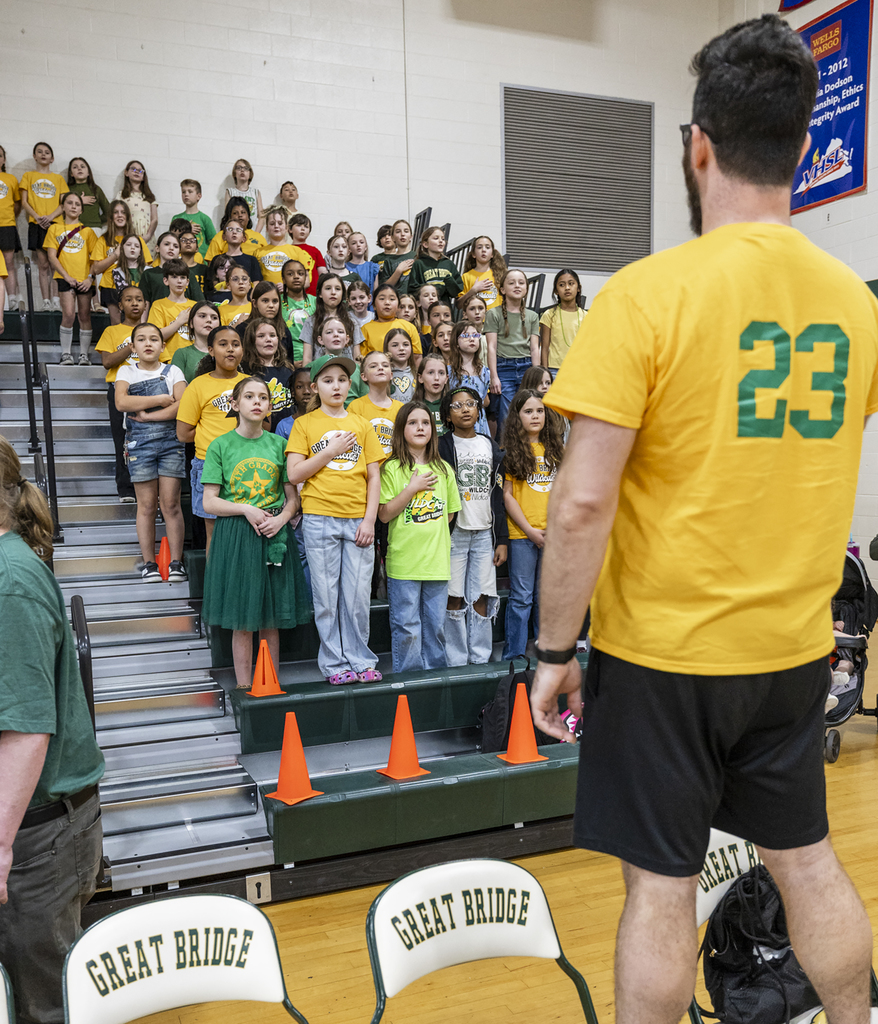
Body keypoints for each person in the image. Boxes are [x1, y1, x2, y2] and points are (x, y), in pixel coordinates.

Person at [529, 17, 878, 1024]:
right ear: (806, 151)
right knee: (804, 860)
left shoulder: (642, 296)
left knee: (660, 885)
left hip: (663, 653)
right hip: (787, 648)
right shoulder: (853, 307)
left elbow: (584, 498)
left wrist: (553, 646)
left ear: (695, 143)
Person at [0, 436, 104, 1024]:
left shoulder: (9, 582)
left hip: (38, 838)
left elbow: (25, 730)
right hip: (35, 825)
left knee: (44, 1009)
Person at [202, 376, 310, 688]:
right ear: (235, 404)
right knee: (243, 617)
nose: (257, 402)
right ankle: (242, 687)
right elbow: (210, 501)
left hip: (274, 533)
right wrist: (246, 509)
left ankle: (270, 683)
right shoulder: (220, 445)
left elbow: (293, 499)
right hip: (237, 535)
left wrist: (282, 519)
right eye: (249, 396)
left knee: (271, 617)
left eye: (263, 397)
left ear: (270, 406)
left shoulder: (279, 444)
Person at [286, 354, 386, 685]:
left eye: (342, 380)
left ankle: (361, 659)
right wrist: (329, 451)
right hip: (319, 518)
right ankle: (334, 664)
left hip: (357, 519)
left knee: (357, 598)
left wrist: (370, 521)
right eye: (328, 381)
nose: (337, 386)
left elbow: (374, 477)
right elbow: (294, 472)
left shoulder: (361, 424)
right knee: (326, 598)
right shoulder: (304, 424)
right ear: (315, 387)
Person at [379, 401, 460, 673]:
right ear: (401, 430)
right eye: (413, 423)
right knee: (407, 628)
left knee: (436, 627)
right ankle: (410, 684)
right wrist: (412, 489)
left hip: (436, 563)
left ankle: (437, 683)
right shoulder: (391, 469)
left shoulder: (444, 469)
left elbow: (449, 515)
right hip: (404, 564)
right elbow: (384, 514)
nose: (420, 428)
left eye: (425, 423)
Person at [438, 386, 507, 665]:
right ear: (447, 415)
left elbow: (499, 496)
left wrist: (501, 538)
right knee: (453, 597)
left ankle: (479, 657)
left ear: (479, 409)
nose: (465, 409)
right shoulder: (442, 445)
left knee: (481, 597)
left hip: (484, 534)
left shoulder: (490, 445)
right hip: (454, 534)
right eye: (457, 405)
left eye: (470, 404)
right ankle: (456, 658)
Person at [114, 323, 187, 582]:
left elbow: (181, 406)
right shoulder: (126, 370)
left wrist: (146, 416)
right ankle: (149, 564)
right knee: (145, 506)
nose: (148, 343)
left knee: (171, 504)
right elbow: (122, 402)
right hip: (139, 445)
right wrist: (159, 400)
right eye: (141, 339)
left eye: (154, 339)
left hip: (171, 444)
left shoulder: (173, 371)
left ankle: (176, 562)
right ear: (132, 347)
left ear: (162, 345)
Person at [501, 389, 563, 660]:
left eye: (539, 410)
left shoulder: (558, 449)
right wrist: (530, 531)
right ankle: (513, 656)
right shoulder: (512, 451)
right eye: (528, 411)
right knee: (521, 598)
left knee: (545, 598)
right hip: (522, 535)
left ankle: (544, 653)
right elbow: (507, 496)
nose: (535, 416)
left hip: (553, 535)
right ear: (518, 417)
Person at [176, 325, 247, 551]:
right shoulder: (198, 385)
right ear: (210, 350)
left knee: (246, 531)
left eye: (236, 345)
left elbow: (265, 424)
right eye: (223, 344)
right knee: (214, 536)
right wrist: (216, 435)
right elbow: (183, 433)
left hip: (246, 463)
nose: (230, 350)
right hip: (210, 465)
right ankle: (216, 586)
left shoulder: (251, 383)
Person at [96, 284, 149, 502]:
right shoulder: (112, 331)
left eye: (139, 299)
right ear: (120, 305)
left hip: (148, 390)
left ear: (145, 304)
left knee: (148, 440)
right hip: (120, 391)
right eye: (129, 299)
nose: (134, 303)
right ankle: (126, 488)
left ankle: (147, 487)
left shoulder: (152, 330)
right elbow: (107, 361)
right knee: (123, 439)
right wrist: (131, 345)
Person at [43, 192, 98, 365]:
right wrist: (66, 276)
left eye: (77, 204)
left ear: (82, 209)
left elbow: (95, 258)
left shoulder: (88, 232)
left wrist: (89, 278)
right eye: (70, 203)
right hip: (64, 278)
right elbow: (52, 256)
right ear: (63, 207)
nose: (74, 206)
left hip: (84, 279)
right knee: (68, 314)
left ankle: (84, 355)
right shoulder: (54, 229)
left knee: (84, 315)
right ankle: (66, 354)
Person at [485, 268, 540, 435]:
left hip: (527, 367)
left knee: (528, 411)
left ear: (526, 289)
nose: (517, 286)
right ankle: (505, 454)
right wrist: (494, 376)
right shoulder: (493, 314)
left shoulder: (532, 316)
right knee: (506, 416)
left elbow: (534, 348)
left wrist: (536, 375)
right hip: (504, 368)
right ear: (502, 289)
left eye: (521, 283)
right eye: (511, 282)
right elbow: (491, 347)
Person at [19, 142, 65, 309]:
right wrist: (38, 217)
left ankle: (56, 299)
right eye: (40, 152)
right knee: (43, 264)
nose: (43, 154)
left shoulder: (58, 178)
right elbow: (24, 202)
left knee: (55, 264)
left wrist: (50, 217)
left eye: (47, 152)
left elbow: (63, 204)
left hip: (55, 225)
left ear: (52, 158)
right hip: (36, 223)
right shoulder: (28, 176)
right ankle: (45, 301)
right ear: (34, 156)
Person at [447, 320, 490, 436]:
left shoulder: (485, 372)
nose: (472, 339)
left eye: (475, 335)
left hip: (479, 422)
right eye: (466, 335)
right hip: (458, 421)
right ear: (456, 342)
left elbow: (485, 401)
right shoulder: (449, 371)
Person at [539, 269, 585, 375]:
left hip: (579, 369)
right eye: (561, 285)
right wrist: (545, 374)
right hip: (554, 370)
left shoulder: (586, 316)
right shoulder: (549, 315)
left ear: (578, 288)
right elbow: (544, 348)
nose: (567, 288)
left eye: (571, 283)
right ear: (556, 291)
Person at [360, 282, 420, 358]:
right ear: (374, 305)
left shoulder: (409, 327)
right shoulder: (365, 329)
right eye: (382, 299)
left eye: (392, 299)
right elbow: (363, 360)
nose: (387, 302)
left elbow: (417, 357)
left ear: (398, 306)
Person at [408, 226, 463, 304]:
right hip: (426, 309)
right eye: (436, 238)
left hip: (445, 308)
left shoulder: (449, 264)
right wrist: (438, 288)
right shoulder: (419, 264)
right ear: (425, 244)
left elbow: (457, 290)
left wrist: (449, 281)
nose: (440, 241)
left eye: (443, 239)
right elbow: (413, 289)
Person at [171, 301, 220, 383]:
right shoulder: (181, 354)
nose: (209, 320)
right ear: (191, 323)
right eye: (202, 316)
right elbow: (177, 389)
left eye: (214, 318)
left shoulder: (224, 352)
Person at [280, 258, 315, 363]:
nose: (296, 277)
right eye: (290, 274)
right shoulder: (277, 301)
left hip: (312, 357)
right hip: (285, 358)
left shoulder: (316, 302)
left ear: (305, 277)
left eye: (300, 273)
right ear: (283, 279)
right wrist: (289, 362)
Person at [0, 144, 22, 312]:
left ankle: (12, 298)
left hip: (7, 225)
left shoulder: (11, 179)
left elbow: (17, 203)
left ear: (4, 159)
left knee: (8, 264)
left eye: (0, 155)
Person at [115, 160, 158, 242]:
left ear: (143, 176)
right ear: (126, 173)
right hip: (128, 234)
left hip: (147, 237)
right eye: (133, 169)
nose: (137, 172)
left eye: (140, 171)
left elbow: (154, 219)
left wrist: (148, 235)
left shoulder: (149, 197)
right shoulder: (121, 195)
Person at [459, 235, 506, 310]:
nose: (483, 250)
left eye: (487, 247)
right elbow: (459, 305)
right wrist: (473, 290)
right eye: (479, 247)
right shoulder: (466, 276)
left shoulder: (501, 276)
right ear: (473, 254)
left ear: (492, 254)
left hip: (497, 320)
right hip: (474, 320)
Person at [287, 214, 327, 296]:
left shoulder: (315, 251)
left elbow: (323, 273)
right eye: (298, 225)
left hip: (313, 296)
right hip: (292, 295)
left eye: (306, 226)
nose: (302, 229)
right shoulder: (286, 250)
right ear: (290, 229)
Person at [174, 179, 216, 257]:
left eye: (190, 192)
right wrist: (187, 230)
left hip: (202, 262)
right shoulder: (176, 218)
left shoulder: (205, 219)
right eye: (183, 192)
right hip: (181, 260)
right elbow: (171, 238)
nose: (186, 194)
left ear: (199, 196)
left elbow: (213, 242)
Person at [413, 353, 449, 436]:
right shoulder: (412, 409)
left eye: (441, 373)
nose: (436, 378)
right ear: (420, 378)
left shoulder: (452, 408)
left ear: (446, 379)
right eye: (430, 372)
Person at [377, 219, 416, 294]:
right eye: (398, 231)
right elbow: (385, 287)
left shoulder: (417, 256)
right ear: (393, 237)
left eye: (406, 231)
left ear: (411, 236)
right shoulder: (389, 260)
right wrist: (398, 271)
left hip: (414, 301)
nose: (402, 234)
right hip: (396, 301)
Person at [225, 158, 264, 231]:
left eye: (246, 168)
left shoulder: (256, 192)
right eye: (239, 168)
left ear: (250, 174)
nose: (242, 170)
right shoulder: (230, 192)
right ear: (235, 173)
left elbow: (262, 216)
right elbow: (228, 215)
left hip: (252, 231)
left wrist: (256, 233)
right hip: (235, 232)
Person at [385, 328, 417, 404]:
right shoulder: (383, 375)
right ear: (387, 349)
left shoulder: (417, 374)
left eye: (405, 344)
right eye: (395, 345)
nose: (401, 348)